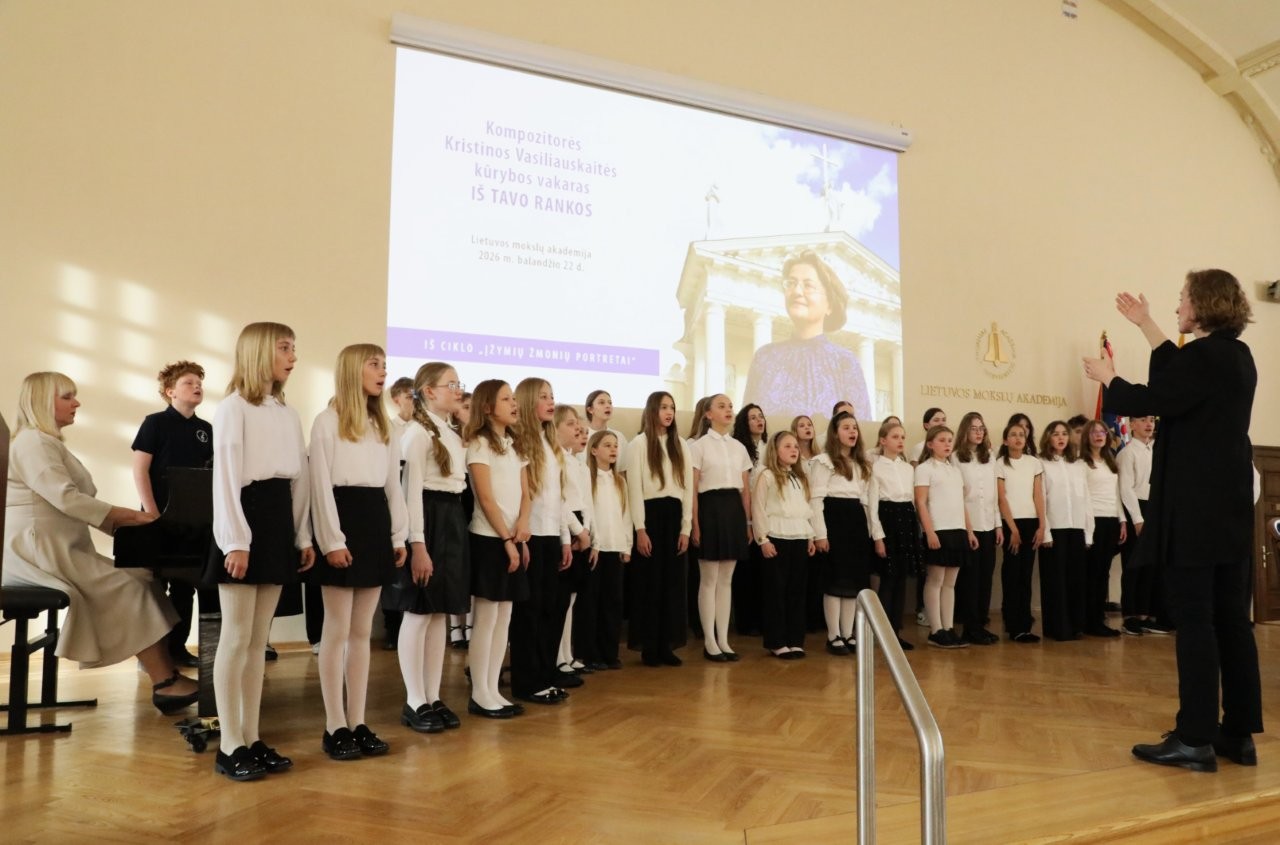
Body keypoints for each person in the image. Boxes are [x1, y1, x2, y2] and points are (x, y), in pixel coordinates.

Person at [1083, 270, 1260, 772]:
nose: (1178, 306)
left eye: (1182, 299)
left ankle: (1195, 738)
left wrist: (1109, 378)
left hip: (1195, 511)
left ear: (1202, 305)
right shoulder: (1237, 356)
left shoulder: (1204, 358)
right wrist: (1146, 324)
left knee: (1195, 621)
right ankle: (1237, 733)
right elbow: (1177, 376)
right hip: (1227, 511)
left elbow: (1154, 397)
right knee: (1232, 620)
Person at [3, 372, 198, 711]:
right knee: (130, 585)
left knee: (142, 577)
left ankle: (166, 673)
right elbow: (66, 498)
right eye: (67, 396)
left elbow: (76, 504)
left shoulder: (45, 442)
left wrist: (131, 528)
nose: (76, 403)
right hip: (38, 552)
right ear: (42, 401)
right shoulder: (33, 442)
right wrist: (134, 517)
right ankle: (165, 683)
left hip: (57, 546)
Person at [209, 322, 314, 781]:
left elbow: (298, 481)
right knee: (235, 638)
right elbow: (226, 480)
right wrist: (236, 540)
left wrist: (302, 536)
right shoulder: (233, 408)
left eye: (293, 348)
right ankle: (228, 743)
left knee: (257, 641)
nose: (293, 356)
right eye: (284, 348)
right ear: (258, 353)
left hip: (276, 521)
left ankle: (251, 736)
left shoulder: (287, 413)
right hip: (245, 519)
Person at [309, 344, 408, 759]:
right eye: (374, 364)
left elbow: (392, 485)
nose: (382, 372)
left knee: (362, 632)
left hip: (374, 523)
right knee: (336, 631)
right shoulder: (327, 421)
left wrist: (399, 535)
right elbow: (319, 486)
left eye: (385, 365)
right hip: (342, 521)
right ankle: (334, 724)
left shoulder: (383, 425)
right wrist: (332, 541)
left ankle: (358, 720)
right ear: (353, 370)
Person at [390, 362, 469, 733]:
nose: (457, 389)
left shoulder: (449, 433)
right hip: (427, 522)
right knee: (419, 611)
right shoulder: (417, 434)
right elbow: (411, 494)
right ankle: (414, 699)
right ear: (429, 391)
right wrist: (418, 544)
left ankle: (433, 695)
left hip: (451, 518)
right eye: (450, 384)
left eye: (458, 383)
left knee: (439, 612)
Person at [131, 360, 213, 668]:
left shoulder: (206, 430)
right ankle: (154, 656)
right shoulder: (154, 423)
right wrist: (153, 515)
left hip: (193, 522)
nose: (197, 387)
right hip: (158, 517)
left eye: (199, 383)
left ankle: (177, 649)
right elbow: (140, 470)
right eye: (188, 383)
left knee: (185, 586)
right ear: (170, 391)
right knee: (155, 587)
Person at [464, 379, 530, 718]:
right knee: (487, 618)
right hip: (489, 539)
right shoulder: (478, 444)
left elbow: (526, 493)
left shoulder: (515, 445)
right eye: (506, 399)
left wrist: (522, 530)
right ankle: (479, 692)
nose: (514, 404)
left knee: (504, 618)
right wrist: (506, 538)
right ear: (488, 407)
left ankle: (493, 689)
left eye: (514, 398)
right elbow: (486, 498)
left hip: (512, 538)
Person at [741, 250, 871, 421]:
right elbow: (745, 425)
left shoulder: (845, 362)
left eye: (808, 285)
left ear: (830, 305)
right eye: (791, 283)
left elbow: (860, 428)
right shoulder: (764, 357)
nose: (797, 291)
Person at [510, 378, 575, 704]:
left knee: (550, 608)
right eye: (544, 397)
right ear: (527, 402)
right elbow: (519, 497)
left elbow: (558, 498)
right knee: (529, 611)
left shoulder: (552, 446)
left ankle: (545, 674)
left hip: (550, 536)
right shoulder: (519, 443)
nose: (551, 402)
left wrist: (565, 539)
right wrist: (520, 539)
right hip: (530, 536)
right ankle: (526, 681)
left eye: (552, 396)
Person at [625, 391, 693, 667]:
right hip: (650, 516)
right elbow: (634, 490)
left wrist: (686, 527)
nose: (669, 412)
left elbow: (687, 488)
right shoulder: (638, 444)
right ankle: (649, 646)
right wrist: (640, 529)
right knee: (650, 584)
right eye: (664, 407)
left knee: (673, 584)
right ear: (652, 410)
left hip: (674, 516)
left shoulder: (681, 445)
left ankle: (667, 644)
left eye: (672, 408)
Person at [689, 394, 752, 662]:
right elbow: (692, 489)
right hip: (709, 509)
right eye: (721, 406)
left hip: (733, 510)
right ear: (708, 414)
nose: (728, 410)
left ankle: (724, 639)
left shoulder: (739, 447)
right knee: (709, 578)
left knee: (726, 579)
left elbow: (745, 490)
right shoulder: (698, 446)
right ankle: (709, 640)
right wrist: (694, 523)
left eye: (730, 406)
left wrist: (748, 522)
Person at [808, 411, 874, 655]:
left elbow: (865, 499)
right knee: (835, 581)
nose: (852, 431)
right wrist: (820, 534)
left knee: (853, 582)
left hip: (855, 521)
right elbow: (816, 499)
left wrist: (868, 530)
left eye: (854, 427)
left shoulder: (861, 464)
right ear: (835, 433)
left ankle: (848, 633)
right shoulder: (824, 461)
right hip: (834, 519)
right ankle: (833, 634)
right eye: (846, 427)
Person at [752, 432, 816, 658]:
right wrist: (763, 539)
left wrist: (810, 537)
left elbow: (805, 509)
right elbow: (758, 508)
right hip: (776, 537)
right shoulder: (767, 476)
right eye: (788, 446)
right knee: (776, 592)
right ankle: (776, 641)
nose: (794, 450)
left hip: (798, 536)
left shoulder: (799, 477)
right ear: (775, 450)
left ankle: (795, 639)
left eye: (796, 446)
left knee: (796, 591)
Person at [915, 425, 975, 649]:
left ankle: (948, 628)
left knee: (950, 583)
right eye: (942, 440)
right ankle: (936, 629)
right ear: (930, 444)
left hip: (957, 529)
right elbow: (921, 502)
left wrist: (969, 531)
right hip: (938, 530)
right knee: (935, 580)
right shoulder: (924, 469)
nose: (947, 444)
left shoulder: (955, 470)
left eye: (950, 440)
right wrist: (929, 531)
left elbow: (961, 503)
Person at [1037, 420, 1091, 642]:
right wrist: (1045, 531)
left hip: (1076, 527)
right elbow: (1041, 499)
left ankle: (1076, 625)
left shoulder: (1078, 465)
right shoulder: (1042, 464)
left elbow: (1085, 499)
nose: (1060, 438)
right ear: (1048, 438)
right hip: (1055, 529)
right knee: (1055, 581)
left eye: (1064, 434)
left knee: (1076, 579)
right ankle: (1058, 628)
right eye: (1055, 434)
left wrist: (1088, 532)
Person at [868, 420, 919, 650]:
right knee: (888, 580)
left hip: (905, 520)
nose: (900, 441)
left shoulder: (908, 468)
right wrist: (878, 537)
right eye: (895, 437)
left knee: (901, 580)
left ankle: (895, 632)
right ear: (883, 440)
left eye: (902, 437)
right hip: (887, 520)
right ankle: (882, 633)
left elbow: (912, 501)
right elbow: (872, 506)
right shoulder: (875, 468)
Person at [951, 412, 1001, 645]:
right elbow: (957, 496)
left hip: (988, 524)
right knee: (970, 580)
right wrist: (968, 529)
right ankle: (970, 627)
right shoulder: (955, 458)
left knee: (985, 577)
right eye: (974, 428)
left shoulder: (990, 457)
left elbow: (994, 494)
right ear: (965, 431)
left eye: (982, 428)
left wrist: (998, 524)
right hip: (968, 526)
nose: (979, 432)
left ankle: (980, 624)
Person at [581, 430, 629, 670]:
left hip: (615, 546)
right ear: (594, 450)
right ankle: (591, 654)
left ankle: (610, 653)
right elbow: (588, 514)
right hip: (595, 549)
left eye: (615, 446)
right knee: (592, 602)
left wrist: (627, 545)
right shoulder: (588, 480)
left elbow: (625, 514)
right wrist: (593, 541)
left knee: (613, 602)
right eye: (607, 445)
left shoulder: (619, 481)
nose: (613, 449)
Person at [995, 420, 1046, 644]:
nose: (1018, 438)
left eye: (1021, 435)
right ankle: (1013, 624)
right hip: (1011, 523)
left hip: (1031, 522)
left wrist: (1042, 525)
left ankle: (1024, 625)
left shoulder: (1034, 463)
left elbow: (1038, 495)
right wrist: (1012, 529)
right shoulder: (999, 464)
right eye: (1013, 435)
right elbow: (1001, 498)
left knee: (1025, 575)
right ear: (1006, 440)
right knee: (1012, 574)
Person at [1116, 414, 1167, 636]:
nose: (1149, 424)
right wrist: (1137, 518)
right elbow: (1125, 488)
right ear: (1132, 425)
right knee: (1133, 565)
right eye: (1143, 420)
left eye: (1152, 421)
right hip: (1136, 508)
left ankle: (1146, 615)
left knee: (1151, 565)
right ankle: (1130, 616)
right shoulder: (1127, 453)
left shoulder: (1157, 451)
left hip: (1154, 508)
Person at [1079, 419, 1125, 637]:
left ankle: (1098, 618)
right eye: (1094, 432)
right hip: (1093, 520)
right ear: (1087, 437)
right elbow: (1084, 496)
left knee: (1103, 572)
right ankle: (1090, 620)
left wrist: (1122, 520)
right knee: (1092, 572)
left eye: (1102, 432)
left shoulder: (1110, 460)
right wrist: (1088, 526)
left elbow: (1116, 494)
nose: (1099, 435)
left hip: (1111, 520)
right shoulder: (1082, 463)